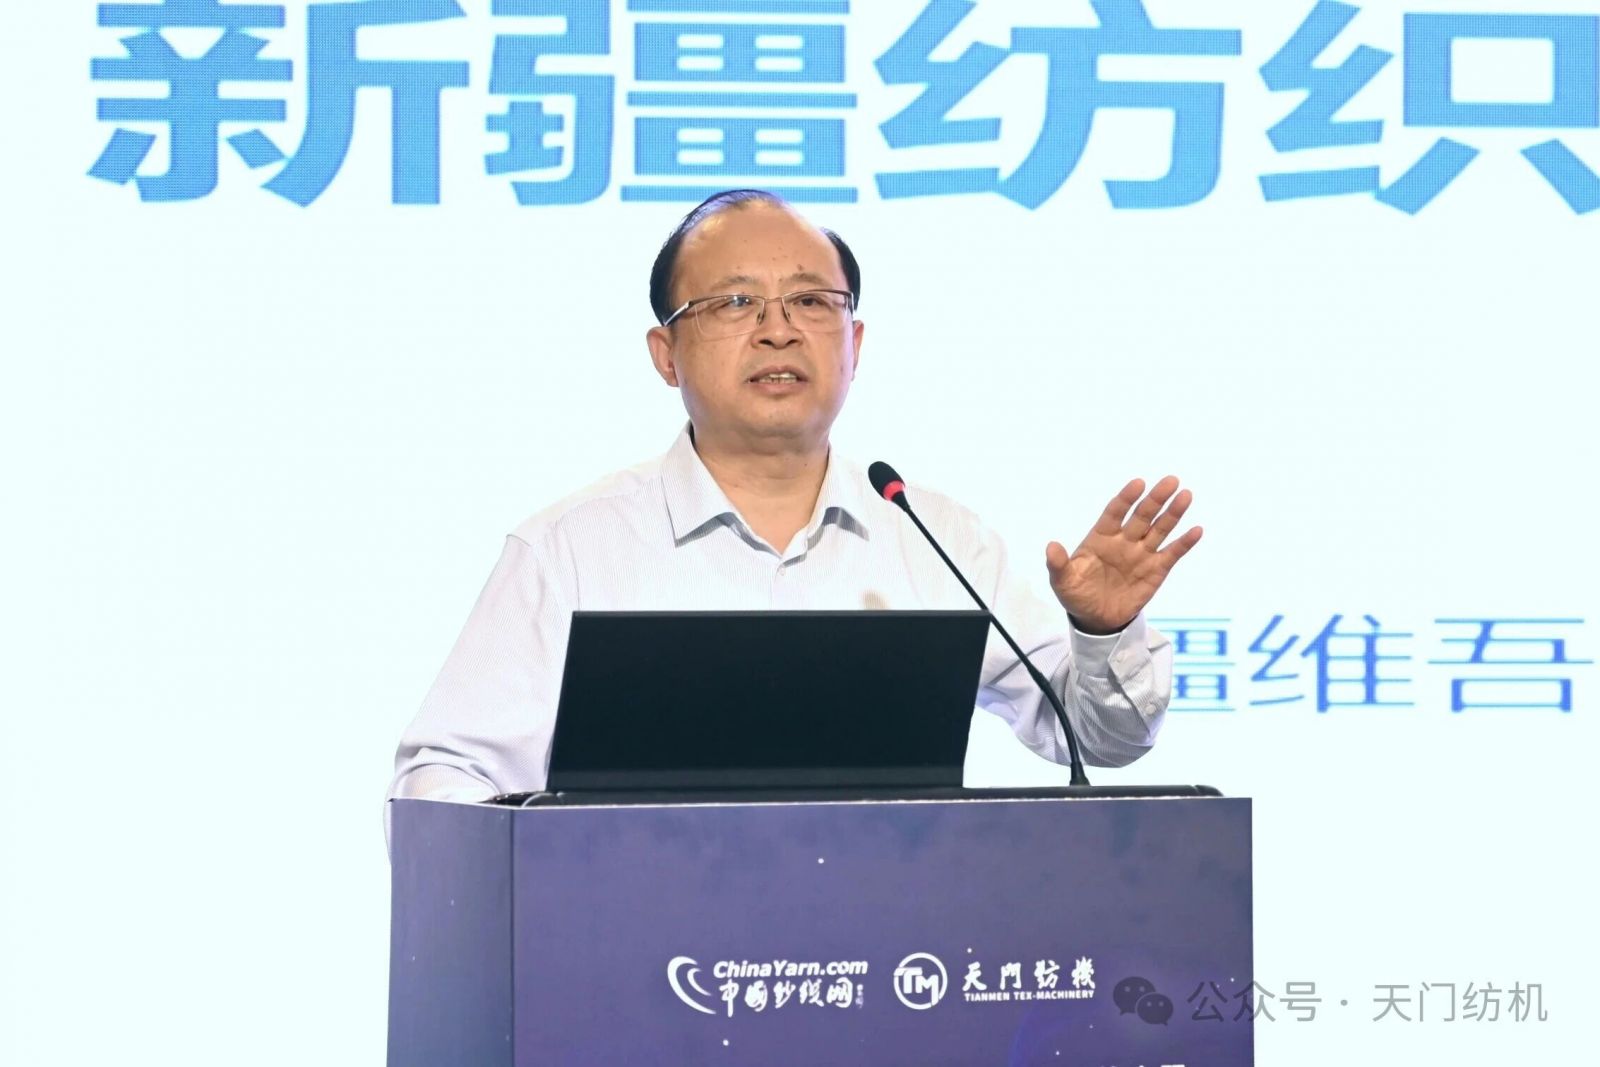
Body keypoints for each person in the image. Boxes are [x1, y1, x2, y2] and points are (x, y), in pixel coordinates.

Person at [389, 189, 1202, 808]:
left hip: (884, 960)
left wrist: (1103, 632)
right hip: (633, 962)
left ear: (855, 343)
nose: (778, 330)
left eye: (813, 302)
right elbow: (443, 775)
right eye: (734, 302)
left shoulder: (936, 539)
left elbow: (1101, 738)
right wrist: (543, 876)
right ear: (666, 353)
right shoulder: (571, 549)